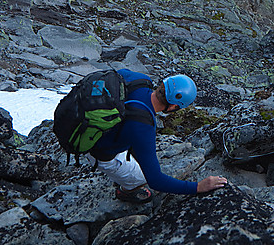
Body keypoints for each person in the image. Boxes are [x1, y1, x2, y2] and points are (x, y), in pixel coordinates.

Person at [89, 69, 227, 203]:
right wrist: (197, 187)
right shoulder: (143, 126)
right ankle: (127, 191)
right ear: (173, 106)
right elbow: (155, 181)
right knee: (141, 178)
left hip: (84, 117)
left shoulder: (139, 79)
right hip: (98, 148)